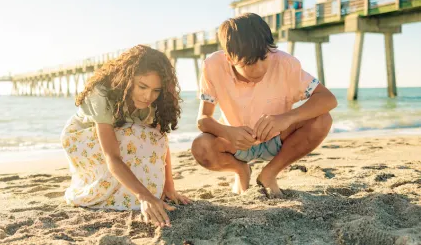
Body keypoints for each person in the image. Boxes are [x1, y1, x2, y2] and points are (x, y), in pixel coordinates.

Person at [192, 13, 337, 198]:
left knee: (323, 119)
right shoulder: (212, 65)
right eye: (250, 63)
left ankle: (269, 174)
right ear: (229, 58)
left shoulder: (285, 63)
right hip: (236, 144)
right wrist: (227, 132)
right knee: (200, 146)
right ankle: (241, 170)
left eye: (264, 56)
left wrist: (286, 119)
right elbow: (203, 120)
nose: (260, 67)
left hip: (278, 140)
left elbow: (328, 99)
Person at [61, 45, 190, 227]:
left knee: (149, 136)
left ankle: (126, 191)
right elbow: (111, 156)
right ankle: (98, 190)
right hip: (82, 139)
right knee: (130, 135)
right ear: (128, 79)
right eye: (142, 86)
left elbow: (161, 143)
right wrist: (144, 196)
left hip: (120, 136)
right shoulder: (102, 93)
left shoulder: (151, 103)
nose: (148, 96)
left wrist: (169, 188)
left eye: (156, 90)